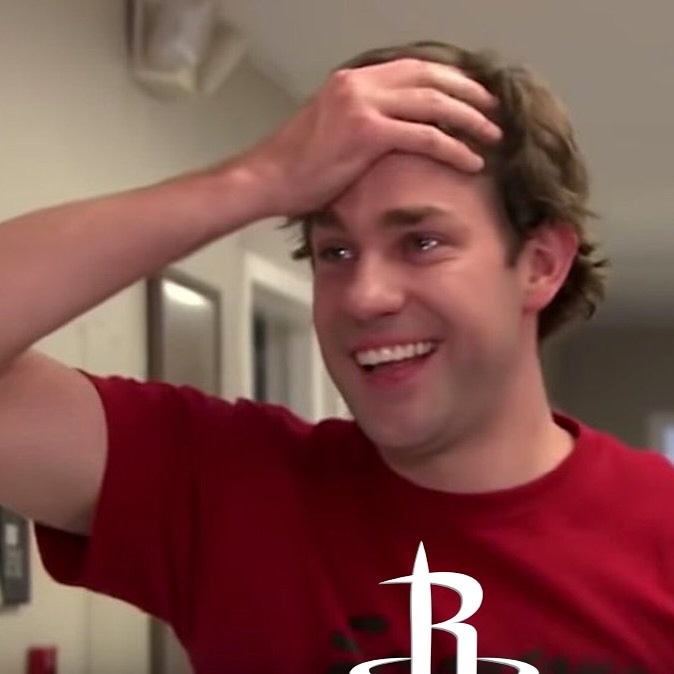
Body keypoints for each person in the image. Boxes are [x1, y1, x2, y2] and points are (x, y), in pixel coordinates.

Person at [0, 39, 672, 674]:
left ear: (541, 263)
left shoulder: (659, 531)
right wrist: (257, 178)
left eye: (422, 242)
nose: (365, 295)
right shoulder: (233, 492)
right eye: (335, 252)